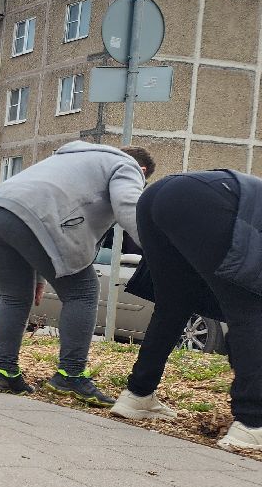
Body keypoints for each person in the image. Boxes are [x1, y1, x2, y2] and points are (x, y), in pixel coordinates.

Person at [0, 142, 154, 406]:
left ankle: (4, 373)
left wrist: (37, 277)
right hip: (32, 216)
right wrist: (158, 250)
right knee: (83, 291)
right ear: (141, 169)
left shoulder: (75, 156)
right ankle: (71, 374)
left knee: (14, 295)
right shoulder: (126, 166)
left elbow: (36, 204)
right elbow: (128, 206)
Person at [109, 169, 262, 455]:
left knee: (173, 306)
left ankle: (137, 395)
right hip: (206, 199)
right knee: (251, 307)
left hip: (157, 196)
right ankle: (252, 423)